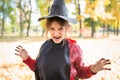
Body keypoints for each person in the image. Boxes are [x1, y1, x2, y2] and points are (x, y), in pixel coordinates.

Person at [15, 0, 111, 80]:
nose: (56, 33)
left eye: (60, 29)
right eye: (52, 29)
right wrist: (27, 59)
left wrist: (93, 69)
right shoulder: (45, 46)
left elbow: (80, 72)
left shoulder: (74, 48)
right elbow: (39, 69)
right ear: (48, 29)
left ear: (66, 29)